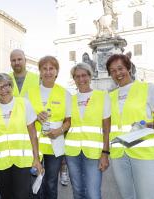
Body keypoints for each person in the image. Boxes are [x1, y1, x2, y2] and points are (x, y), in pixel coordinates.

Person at [106, 54, 154, 199]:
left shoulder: (148, 88)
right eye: (112, 71)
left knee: (146, 196)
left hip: (143, 151)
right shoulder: (110, 97)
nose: (117, 73)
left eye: (120, 68)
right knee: (127, 196)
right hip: (119, 153)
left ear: (129, 68)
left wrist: (147, 125)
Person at [0, 73, 43, 199]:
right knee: (6, 195)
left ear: (11, 86)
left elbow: (33, 133)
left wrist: (36, 159)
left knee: (22, 195)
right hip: (1, 163)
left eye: (6, 85)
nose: (3, 90)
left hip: (22, 161)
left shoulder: (24, 103)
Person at [27, 56, 72, 199]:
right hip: (35, 144)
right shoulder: (30, 93)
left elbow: (68, 121)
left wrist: (59, 131)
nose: (48, 72)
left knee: (51, 182)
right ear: (39, 72)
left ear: (56, 71)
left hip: (55, 143)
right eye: (44, 69)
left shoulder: (65, 94)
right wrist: (35, 116)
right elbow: (24, 118)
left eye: (51, 68)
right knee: (36, 180)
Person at [65, 62, 110, 199]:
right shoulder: (70, 100)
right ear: (74, 80)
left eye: (84, 75)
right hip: (72, 152)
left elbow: (107, 128)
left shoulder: (102, 96)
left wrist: (105, 153)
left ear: (90, 77)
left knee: (93, 194)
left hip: (94, 153)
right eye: (77, 77)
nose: (81, 79)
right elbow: (66, 125)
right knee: (78, 192)